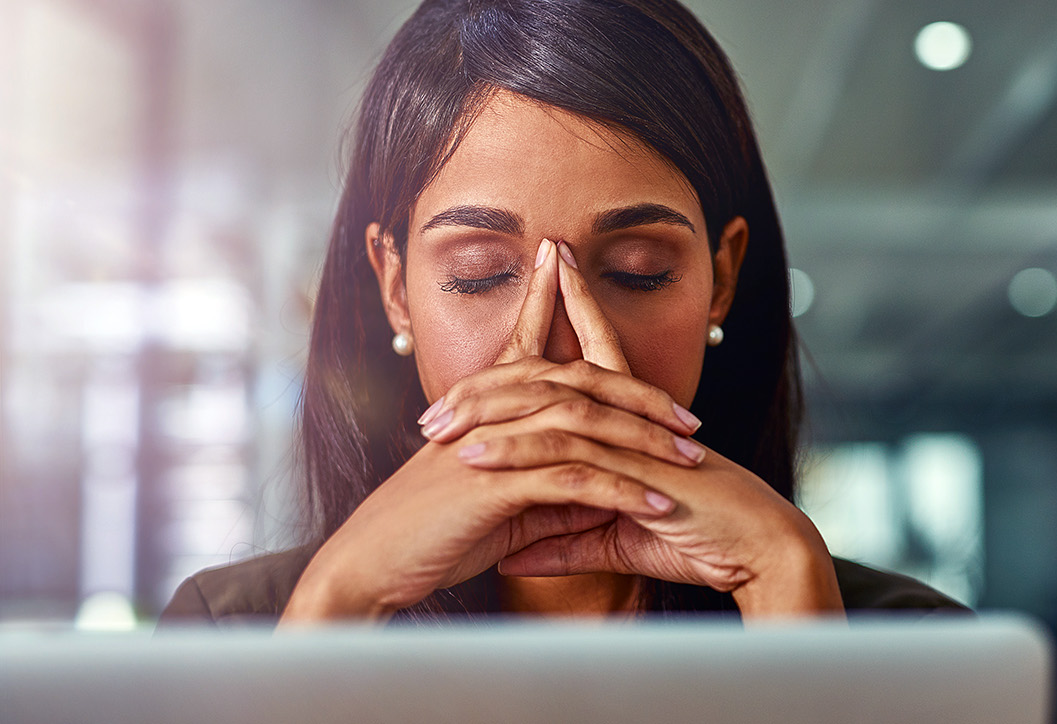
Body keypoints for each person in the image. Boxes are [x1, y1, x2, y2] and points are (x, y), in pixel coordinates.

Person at [159, 0, 965, 627]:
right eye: (479, 276)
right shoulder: (244, 628)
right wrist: (340, 602)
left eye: (636, 272)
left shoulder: (913, 645)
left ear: (720, 281)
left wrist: (784, 586)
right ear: (396, 287)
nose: (561, 348)